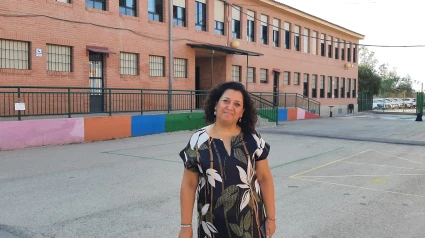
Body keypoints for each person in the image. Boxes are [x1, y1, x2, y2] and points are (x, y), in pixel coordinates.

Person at [178, 81, 276, 238]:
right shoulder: (197, 140)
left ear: (242, 112)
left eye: (237, 104)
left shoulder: (253, 138)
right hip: (211, 227)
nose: (230, 107)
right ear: (216, 105)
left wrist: (271, 218)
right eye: (226, 101)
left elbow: (265, 178)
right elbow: (189, 185)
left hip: (250, 225)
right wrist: (185, 226)